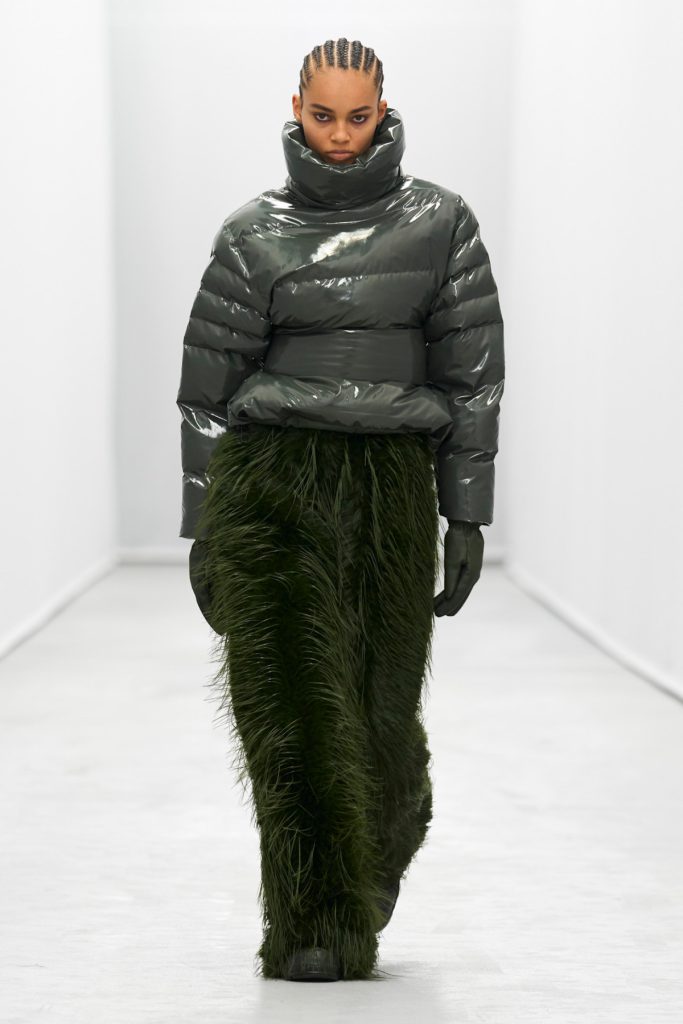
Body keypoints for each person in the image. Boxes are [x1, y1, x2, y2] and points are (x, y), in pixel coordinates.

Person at [176, 37, 504, 983]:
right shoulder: (252, 233)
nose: (340, 136)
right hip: (273, 475)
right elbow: (206, 391)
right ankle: (314, 923)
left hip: (390, 482)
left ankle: (384, 831)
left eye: (358, 117)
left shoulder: (441, 224)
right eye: (322, 115)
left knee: (378, 706)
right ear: (296, 108)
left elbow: (472, 379)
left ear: (383, 111)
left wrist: (465, 515)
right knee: (286, 703)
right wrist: (205, 531)